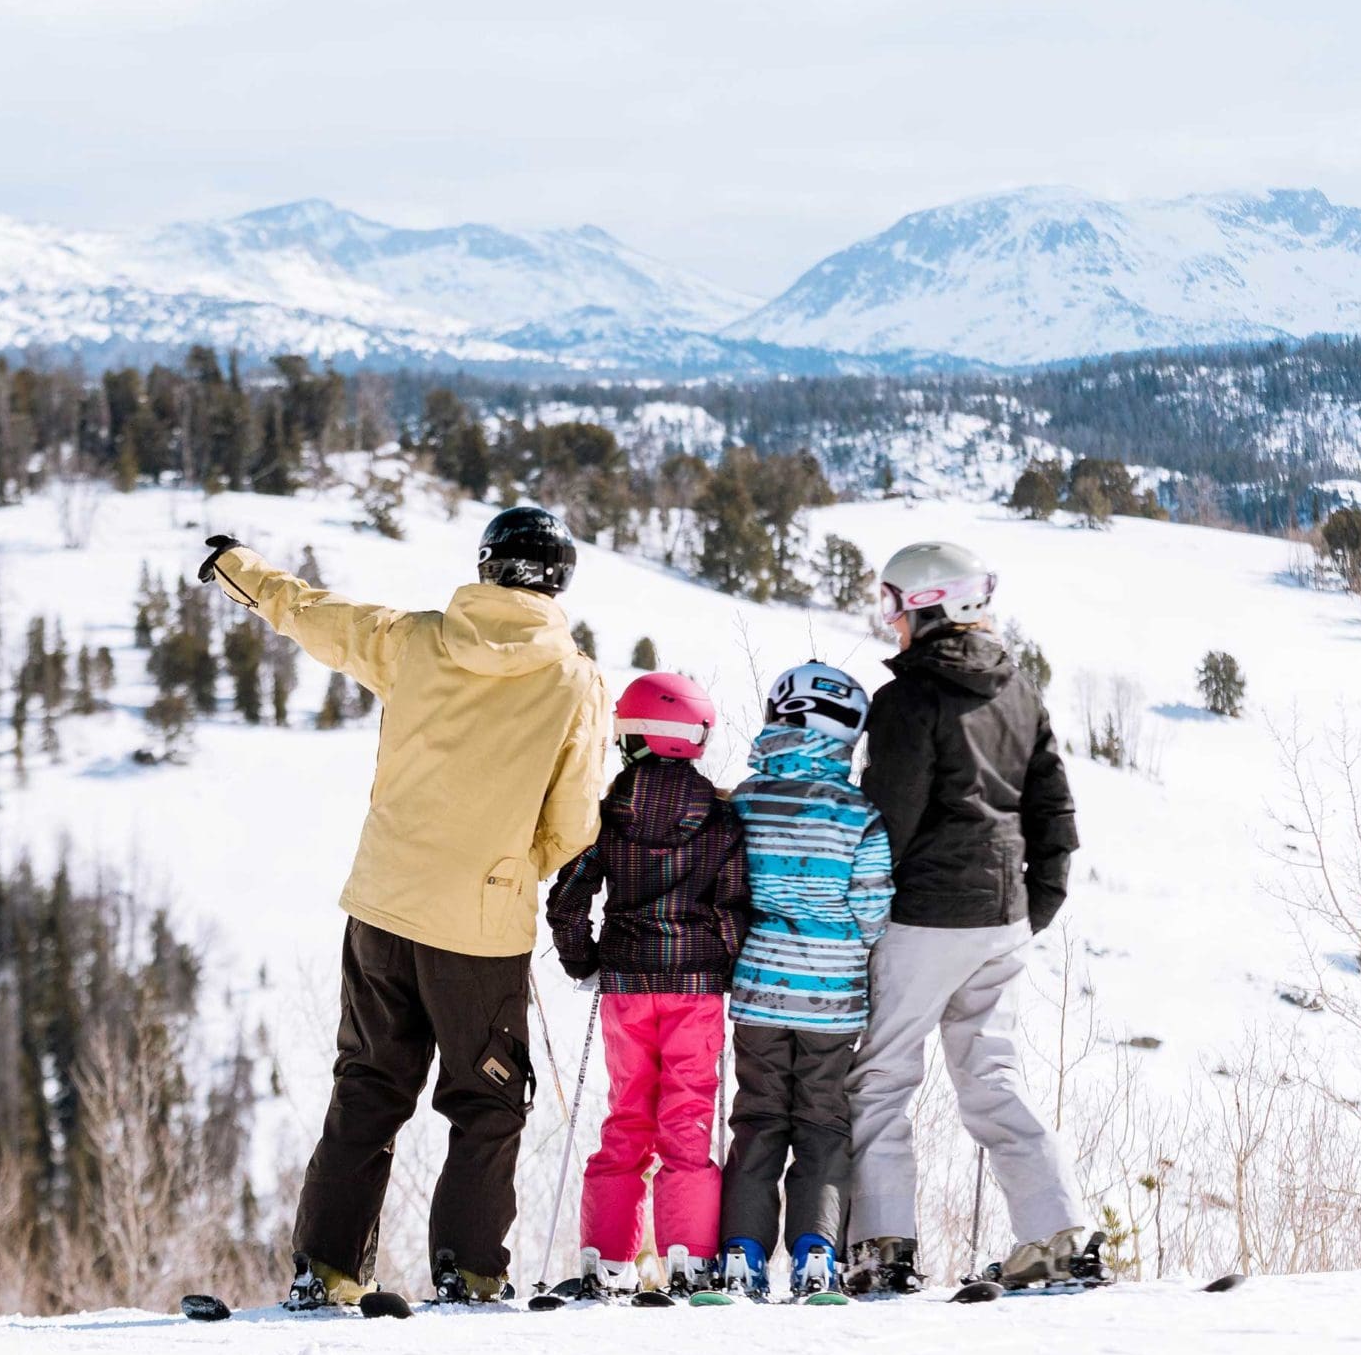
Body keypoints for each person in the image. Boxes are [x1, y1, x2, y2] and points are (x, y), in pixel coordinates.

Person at [198, 506, 611, 1307]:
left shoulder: (417, 641)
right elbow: (573, 823)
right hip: (479, 931)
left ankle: (327, 1270)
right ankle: (471, 1271)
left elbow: (314, 615)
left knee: (368, 1087)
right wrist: (511, 867)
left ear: (487, 566)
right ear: (560, 580)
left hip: (382, 908)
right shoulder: (575, 681)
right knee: (487, 1101)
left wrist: (240, 569)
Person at [843, 540, 1086, 1297]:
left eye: (891, 603)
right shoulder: (1019, 690)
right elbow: (1054, 807)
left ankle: (882, 1247)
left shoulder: (908, 700)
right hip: (1000, 916)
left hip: (924, 915)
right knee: (992, 1073)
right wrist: (1035, 903)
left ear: (926, 605)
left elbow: (889, 820)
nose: (888, 620)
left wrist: (860, 912)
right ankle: (1055, 1235)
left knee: (881, 1077)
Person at [541, 671, 750, 1300]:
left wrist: (584, 963)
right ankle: (689, 1258)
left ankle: (607, 1259)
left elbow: (568, 903)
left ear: (634, 736)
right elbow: (731, 909)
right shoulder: (721, 819)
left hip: (627, 985)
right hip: (696, 989)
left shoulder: (606, 817)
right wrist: (729, 966)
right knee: (687, 1117)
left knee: (628, 1115)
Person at [716, 662, 895, 1301]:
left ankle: (741, 1254)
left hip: (758, 991)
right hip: (833, 998)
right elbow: (873, 909)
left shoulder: (745, 799)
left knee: (758, 1118)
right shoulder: (858, 814)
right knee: (823, 1122)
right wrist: (845, 944)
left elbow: (728, 886)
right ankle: (815, 1252)